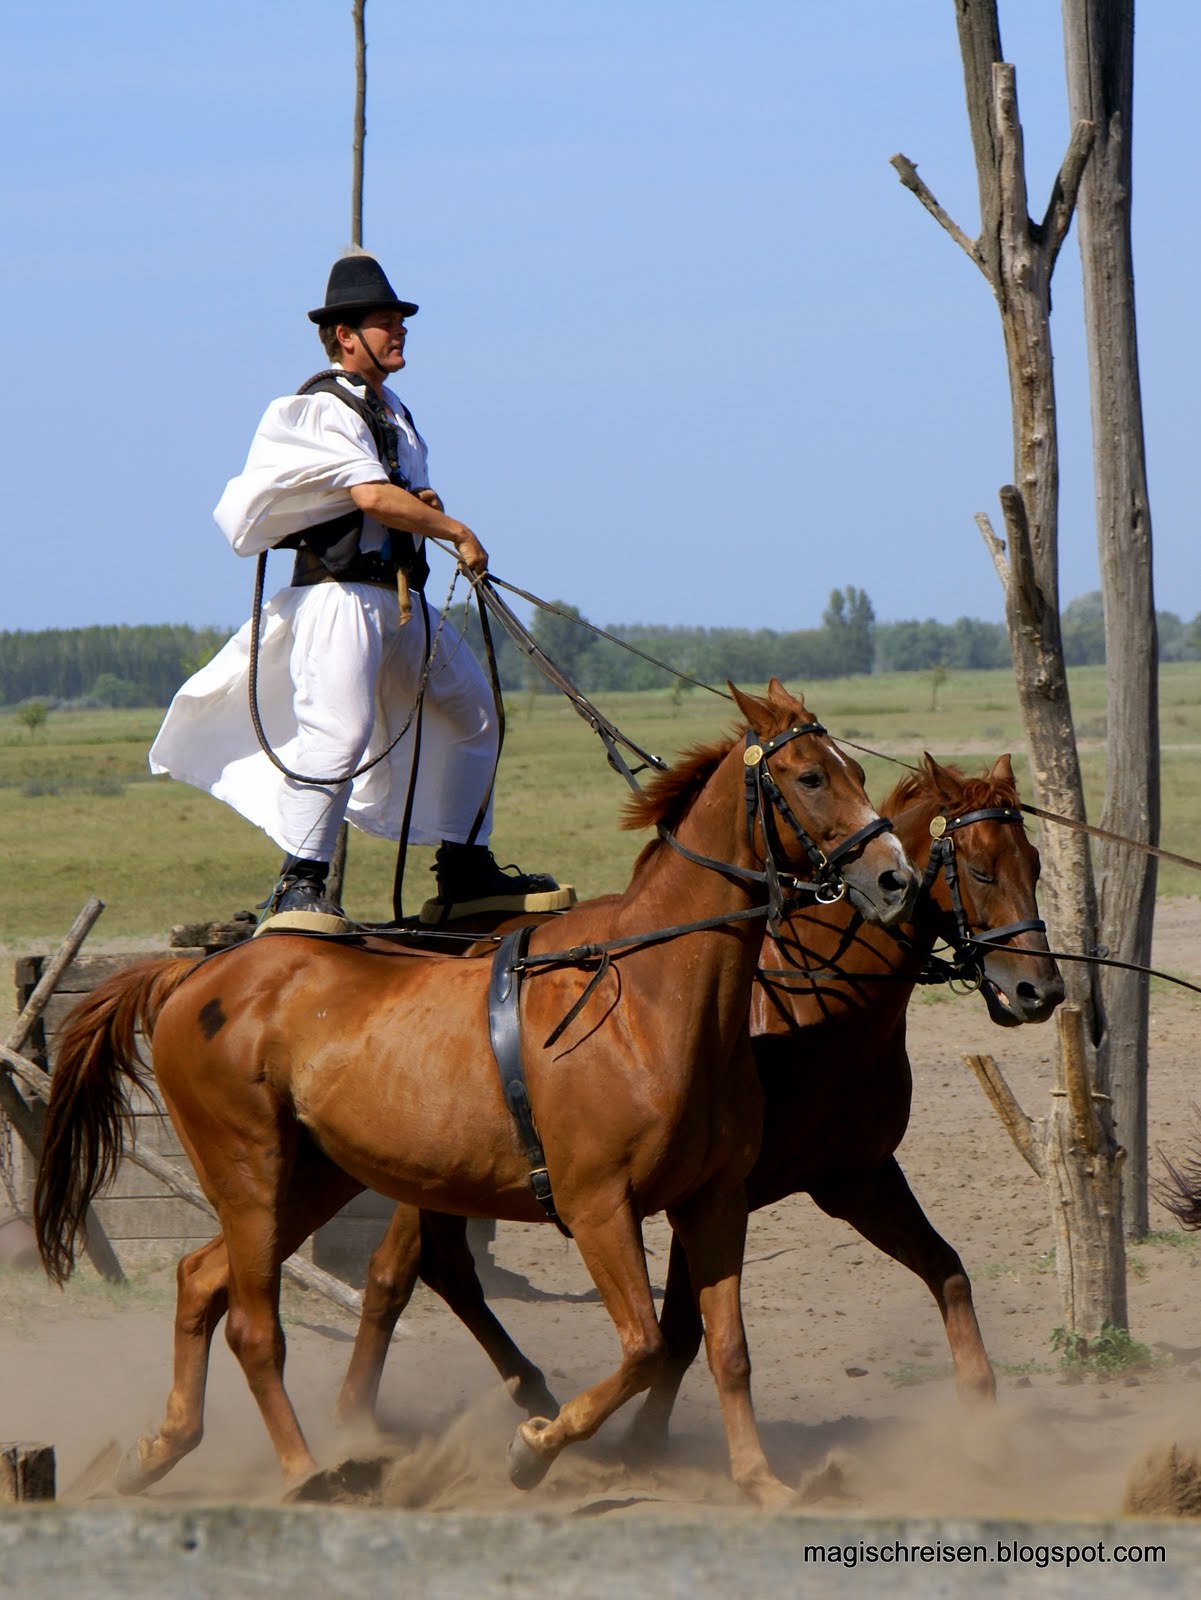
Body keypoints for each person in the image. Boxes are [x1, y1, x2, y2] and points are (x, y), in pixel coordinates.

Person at [150, 252, 571, 926]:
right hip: (339, 599)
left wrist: (421, 501)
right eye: (384, 323)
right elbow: (371, 495)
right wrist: (456, 529)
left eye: (400, 321)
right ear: (346, 336)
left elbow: (390, 492)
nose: (399, 332)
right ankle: (299, 882)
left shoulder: (394, 411)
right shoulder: (322, 407)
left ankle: (463, 867)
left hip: (400, 600)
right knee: (338, 734)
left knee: (475, 712)